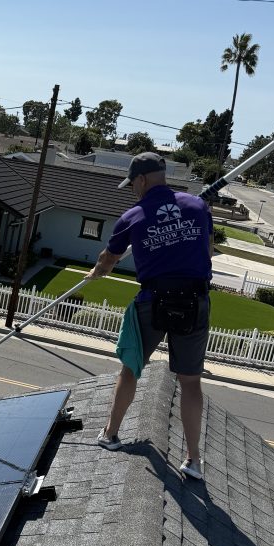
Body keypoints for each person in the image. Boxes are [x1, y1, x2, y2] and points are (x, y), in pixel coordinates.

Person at [87, 152, 214, 479]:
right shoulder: (198, 207)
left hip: (154, 299)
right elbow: (206, 247)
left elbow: (108, 258)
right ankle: (194, 461)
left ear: (142, 180)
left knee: (130, 368)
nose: (132, 190)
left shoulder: (133, 216)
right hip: (195, 299)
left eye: (133, 184)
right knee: (190, 382)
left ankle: (111, 434)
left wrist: (98, 271)